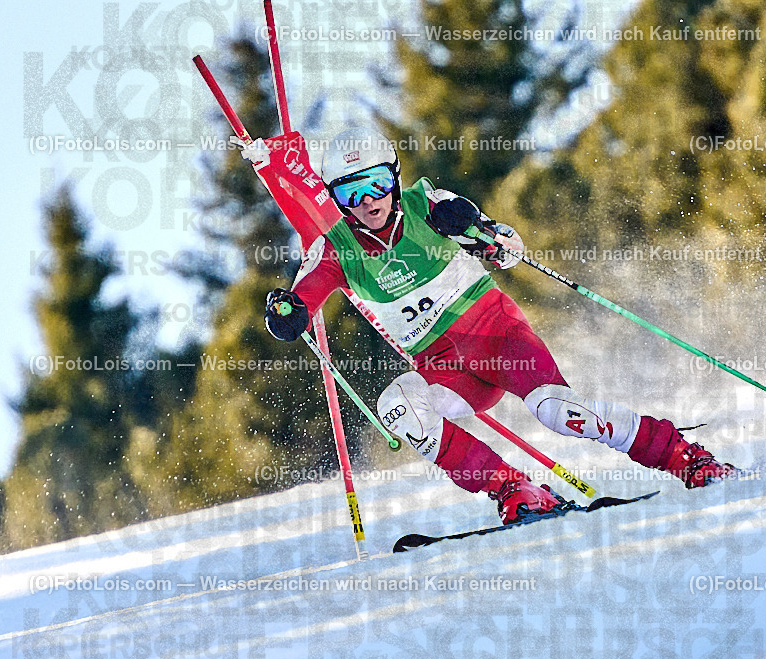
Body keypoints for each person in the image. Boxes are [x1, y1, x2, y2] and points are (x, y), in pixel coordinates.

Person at [264, 127, 735, 524]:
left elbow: (510, 250)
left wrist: (475, 230)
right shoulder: (333, 249)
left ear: (394, 177)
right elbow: (299, 303)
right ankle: (517, 490)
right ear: (336, 198)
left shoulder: (426, 202)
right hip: (445, 367)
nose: (368, 201)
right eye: (350, 191)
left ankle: (683, 456)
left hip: (499, 335)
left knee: (558, 414)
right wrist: (286, 315)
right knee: (400, 408)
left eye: (375, 184)